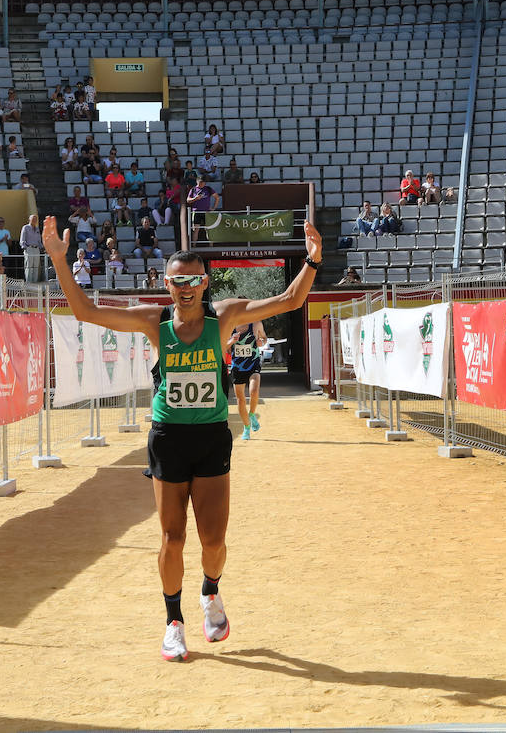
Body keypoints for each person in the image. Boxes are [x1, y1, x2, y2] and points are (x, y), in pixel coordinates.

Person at [42, 215, 321, 661]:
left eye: (193, 280)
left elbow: (290, 299)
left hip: (211, 435)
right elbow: (86, 313)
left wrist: (311, 259)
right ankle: (173, 622)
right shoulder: (155, 323)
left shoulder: (225, 315)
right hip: (169, 437)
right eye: (177, 282)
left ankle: (211, 591)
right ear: (166, 285)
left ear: (205, 283)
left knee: (213, 541)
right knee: (172, 539)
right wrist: (58, 259)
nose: (186, 288)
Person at [228, 318, 267, 440]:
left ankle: (252, 414)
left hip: (253, 364)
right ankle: (246, 427)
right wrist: (231, 341)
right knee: (240, 400)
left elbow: (264, 338)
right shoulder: (230, 326)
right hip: (237, 367)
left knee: (254, 391)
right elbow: (225, 347)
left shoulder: (256, 324)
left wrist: (262, 342)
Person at [20, 214, 43, 283]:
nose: (34, 221)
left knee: (36, 266)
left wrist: (41, 247)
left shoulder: (37, 228)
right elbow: (22, 239)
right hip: (29, 248)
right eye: (33, 219)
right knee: (29, 266)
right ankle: (29, 282)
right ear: (29, 220)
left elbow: (39, 240)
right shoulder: (25, 227)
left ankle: (35, 282)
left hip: (36, 249)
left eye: (36, 219)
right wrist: (25, 247)